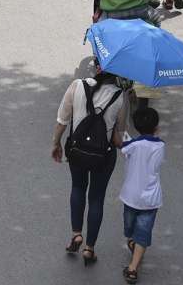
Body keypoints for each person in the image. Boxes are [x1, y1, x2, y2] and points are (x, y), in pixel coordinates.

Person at [51, 62, 127, 266]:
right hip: (104, 155)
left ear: (95, 66)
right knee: (96, 198)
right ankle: (89, 248)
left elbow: (62, 121)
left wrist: (56, 143)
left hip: (77, 152)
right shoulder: (120, 96)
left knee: (77, 187)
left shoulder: (77, 85)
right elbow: (119, 131)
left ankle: (76, 234)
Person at [117, 107, 165, 284]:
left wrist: (115, 127)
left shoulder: (133, 145)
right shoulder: (161, 146)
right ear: (157, 126)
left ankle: (133, 268)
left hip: (131, 197)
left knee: (133, 230)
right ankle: (135, 245)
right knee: (141, 232)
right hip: (151, 199)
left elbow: (121, 145)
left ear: (136, 126)